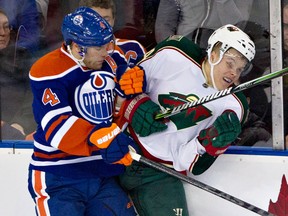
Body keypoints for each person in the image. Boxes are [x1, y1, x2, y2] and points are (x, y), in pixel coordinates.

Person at [116, 24, 255, 215]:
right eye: (230, 63)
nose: (234, 73)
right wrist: (134, 105)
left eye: (240, 69)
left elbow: (196, 166)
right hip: (119, 152)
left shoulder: (234, 106)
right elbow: (125, 85)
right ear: (213, 55)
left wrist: (209, 145)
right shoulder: (174, 53)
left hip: (160, 175)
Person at [27, 7, 143, 216]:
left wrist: (129, 93)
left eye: (108, 43)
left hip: (103, 174)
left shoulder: (112, 61)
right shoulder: (47, 69)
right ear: (78, 47)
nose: (106, 51)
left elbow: (118, 111)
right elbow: (57, 126)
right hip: (59, 175)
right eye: (98, 47)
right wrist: (98, 136)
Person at [0, 8, 36, 140]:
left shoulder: (22, 58)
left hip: (19, 132)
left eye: (6, 27)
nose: (3, 33)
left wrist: (21, 124)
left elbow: (35, 94)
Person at [79, 0, 146, 68]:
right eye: (94, 20)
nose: (101, 25)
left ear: (113, 20)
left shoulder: (134, 48)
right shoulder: (74, 53)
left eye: (106, 20)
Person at [155, 0, 254, 45]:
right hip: (183, 51)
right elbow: (164, 25)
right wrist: (173, 50)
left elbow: (238, 29)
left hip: (220, 55)